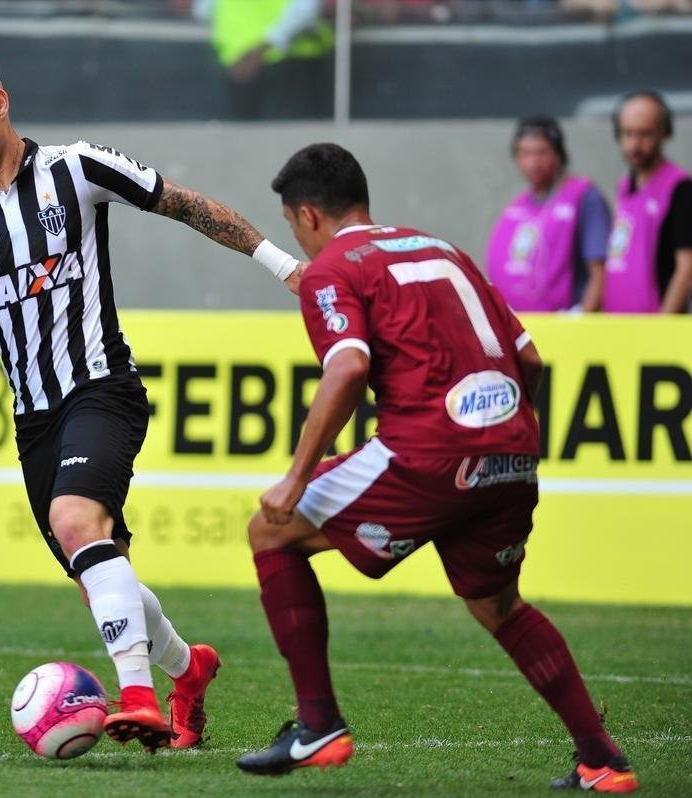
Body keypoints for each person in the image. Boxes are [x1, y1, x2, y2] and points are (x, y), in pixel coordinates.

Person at [0, 45, 303, 753]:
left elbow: (187, 205)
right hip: (35, 422)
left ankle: (137, 696)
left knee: (76, 521)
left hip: (103, 388)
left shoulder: (76, 169)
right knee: (102, 573)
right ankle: (188, 671)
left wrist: (285, 267)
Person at [236, 143, 638, 793]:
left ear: (307, 214)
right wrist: (500, 440)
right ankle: (603, 760)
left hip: (430, 450)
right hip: (511, 451)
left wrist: (294, 475)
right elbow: (529, 361)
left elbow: (347, 367)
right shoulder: (443, 249)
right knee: (498, 604)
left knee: (271, 530)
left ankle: (318, 726)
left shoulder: (334, 268)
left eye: (292, 226)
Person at [486, 116, 610, 312]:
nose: (533, 162)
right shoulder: (517, 206)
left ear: (559, 155)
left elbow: (600, 270)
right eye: (525, 153)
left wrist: (583, 320)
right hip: (522, 327)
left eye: (541, 152)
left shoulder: (584, 196)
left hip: (567, 327)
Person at [605, 90, 692, 313]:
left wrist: (662, 327)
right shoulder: (625, 186)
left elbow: (687, 266)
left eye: (645, 134)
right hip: (617, 324)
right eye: (627, 133)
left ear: (664, 133)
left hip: (654, 331)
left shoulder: (680, 188)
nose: (634, 144)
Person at [192, 0, 333, 120]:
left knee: (289, 136)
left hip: (289, 65)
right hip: (237, 67)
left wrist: (260, 50)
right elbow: (203, 10)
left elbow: (305, 10)